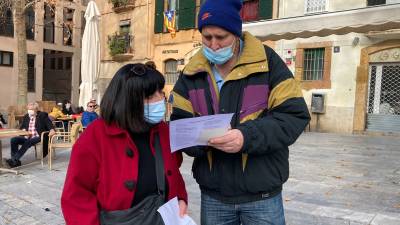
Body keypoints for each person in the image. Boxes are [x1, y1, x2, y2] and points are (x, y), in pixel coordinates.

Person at [170, 0, 311, 224]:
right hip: (214, 195)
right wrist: (202, 139)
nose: (214, 45)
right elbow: (178, 124)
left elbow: (293, 116)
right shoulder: (191, 72)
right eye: (207, 38)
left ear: (236, 34)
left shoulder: (267, 62)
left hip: (262, 195)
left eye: (221, 37)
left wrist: (246, 137)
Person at [61, 63, 188, 225]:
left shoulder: (162, 130)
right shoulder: (95, 135)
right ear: (127, 101)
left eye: (160, 92)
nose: (160, 99)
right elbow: (76, 195)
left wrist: (180, 198)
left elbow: (173, 171)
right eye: (150, 96)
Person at [6, 102, 55, 168]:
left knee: (28, 142)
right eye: (28, 109)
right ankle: (15, 162)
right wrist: (22, 130)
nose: (29, 111)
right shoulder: (26, 116)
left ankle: (14, 159)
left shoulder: (42, 115)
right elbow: (22, 127)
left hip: (38, 136)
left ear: (36, 109)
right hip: (27, 136)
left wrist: (52, 130)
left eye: (31, 109)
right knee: (14, 140)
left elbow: (49, 124)